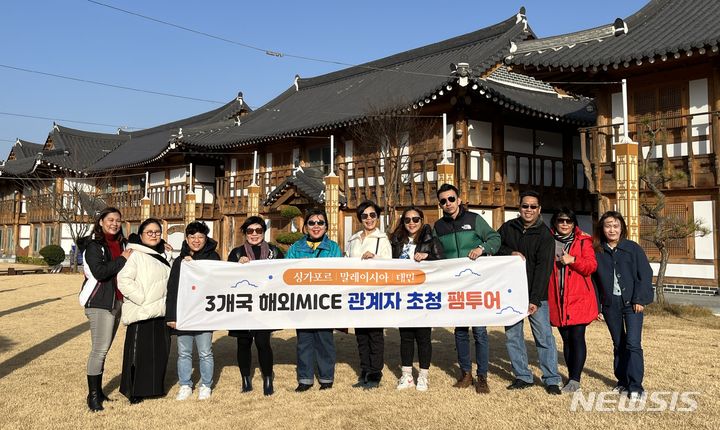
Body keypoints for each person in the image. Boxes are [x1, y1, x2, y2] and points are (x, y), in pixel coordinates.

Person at [432, 183, 500, 394]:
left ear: (459, 200)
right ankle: (465, 373)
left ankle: (482, 376)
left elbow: (495, 238)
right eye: (443, 201)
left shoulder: (474, 219)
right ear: (440, 204)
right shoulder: (438, 226)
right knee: (460, 331)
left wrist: (482, 248)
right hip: (454, 286)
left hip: (477, 284)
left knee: (479, 331)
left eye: (451, 199)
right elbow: (436, 252)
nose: (448, 203)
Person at [497, 190, 562, 395]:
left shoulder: (545, 235)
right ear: (519, 208)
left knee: (544, 338)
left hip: (537, 295)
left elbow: (544, 269)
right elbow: (495, 248)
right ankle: (522, 376)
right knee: (513, 337)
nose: (529, 210)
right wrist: (510, 253)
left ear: (539, 209)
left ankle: (551, 378)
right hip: (511, 293)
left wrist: (534, 299)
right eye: (525, 206)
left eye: (533, 206)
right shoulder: (508, 228)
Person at [592, 211, 653, 401]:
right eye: (608, 226)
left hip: (632, 303)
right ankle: (622, 381)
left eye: (615, 226)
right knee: (618, 344)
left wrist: (640, 299)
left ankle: (635, 386)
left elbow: (645, 274)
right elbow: (593, 281)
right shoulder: (598, 251)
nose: (612, 229)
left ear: (622, 228)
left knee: (633, 344)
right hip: (611, 305)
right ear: (602, 229)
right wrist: (598, 307)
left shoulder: (632, 248)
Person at [77, 207, 133, 412]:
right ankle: (93, 396)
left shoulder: (123, 243)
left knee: (104, 349)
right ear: (100, 222)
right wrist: (122, 259)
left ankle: (99, 392)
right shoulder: (94, 246)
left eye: (118, 220)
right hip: (99, 302)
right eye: (110, 219)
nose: (114, 223)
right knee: (99, 350)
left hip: (117, 302)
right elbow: (100, 272)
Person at [286, 208, 342, 392]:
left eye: (320, 223)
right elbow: (285, 273)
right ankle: (305, 378)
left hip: (325, 302)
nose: (316, 226)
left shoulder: (333, 247)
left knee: (325, 340)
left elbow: (338, 274)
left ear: (326, 227)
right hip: (302, 302)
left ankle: (326, 378)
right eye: (311, 223)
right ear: (305, 227)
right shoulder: (295, 248)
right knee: (304, 341)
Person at [227, 216, 284, 396]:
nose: (254, 234)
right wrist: (237, 266)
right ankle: (245, 379)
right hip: (242, 306)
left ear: (263, 232)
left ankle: (268, 378)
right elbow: (226, 278)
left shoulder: (274, 252)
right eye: (250, 231)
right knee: (243, 342)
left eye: (258, 230)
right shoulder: (236, 253)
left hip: (265, 306)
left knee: (262, 342)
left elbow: (282, 274)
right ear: (245, 233)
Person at [117, 218, 172, 404]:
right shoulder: (135, 254)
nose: (154, 235)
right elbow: (123, 280)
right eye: (149, 232)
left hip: (161, 311)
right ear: (141, 235)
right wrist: (142, 299)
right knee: (137, 354)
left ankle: (154, 388)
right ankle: (134, 390)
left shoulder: (163, 255)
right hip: (142, 312)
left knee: (158, 353)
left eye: (157, 232)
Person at [389, 206, 443, 391]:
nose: (411, 223)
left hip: (423, 295)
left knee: (423, 337)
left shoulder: (430, 240)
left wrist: (428, 256)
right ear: (402, 222)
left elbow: (443, 264)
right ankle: (406, 375)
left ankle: (423, 376)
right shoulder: (395, 241)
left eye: (415, 219)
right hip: (403, 295)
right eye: (407, 220)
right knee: (405, 336)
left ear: (422, 220)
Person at [165, 221, 220, 401]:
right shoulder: (180, 261)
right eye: (192, 237)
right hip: (184, 313)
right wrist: (172, 316)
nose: (196, 240)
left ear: (206, 238)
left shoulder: (214, 257)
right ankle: (185, 384)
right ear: (187, 239)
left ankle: (206, 385)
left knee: (205, 351)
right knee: (184, 352)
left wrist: (195, 265)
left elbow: (217, 284)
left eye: (200, 237)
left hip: (205, 313)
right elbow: (172, 289)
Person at [547, 208, 598, 393]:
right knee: (566, 339)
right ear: (555, 222)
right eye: (561, 220)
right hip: (557, 298)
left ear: (574, 224)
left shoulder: (584, 241)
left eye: (569, 221)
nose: (565, 224)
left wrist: (573, 260)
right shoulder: (547, 240)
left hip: (578, 298)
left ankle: (575, 379)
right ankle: (571, 375)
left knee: (577, 337)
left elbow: (591, 266)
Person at [345, 200, 392, 389]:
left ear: (377, 217)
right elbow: (347, 262)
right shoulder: (353, 239)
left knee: (375, 334)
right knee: (361, 334)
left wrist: (376, 258)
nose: (369, 219)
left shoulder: (382, 239)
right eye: (365, 216)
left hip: (375, 292)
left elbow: (390, 264)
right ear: (360, 218)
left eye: (372, 215)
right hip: (357, 292)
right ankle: (364, 369)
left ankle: (375, 372)